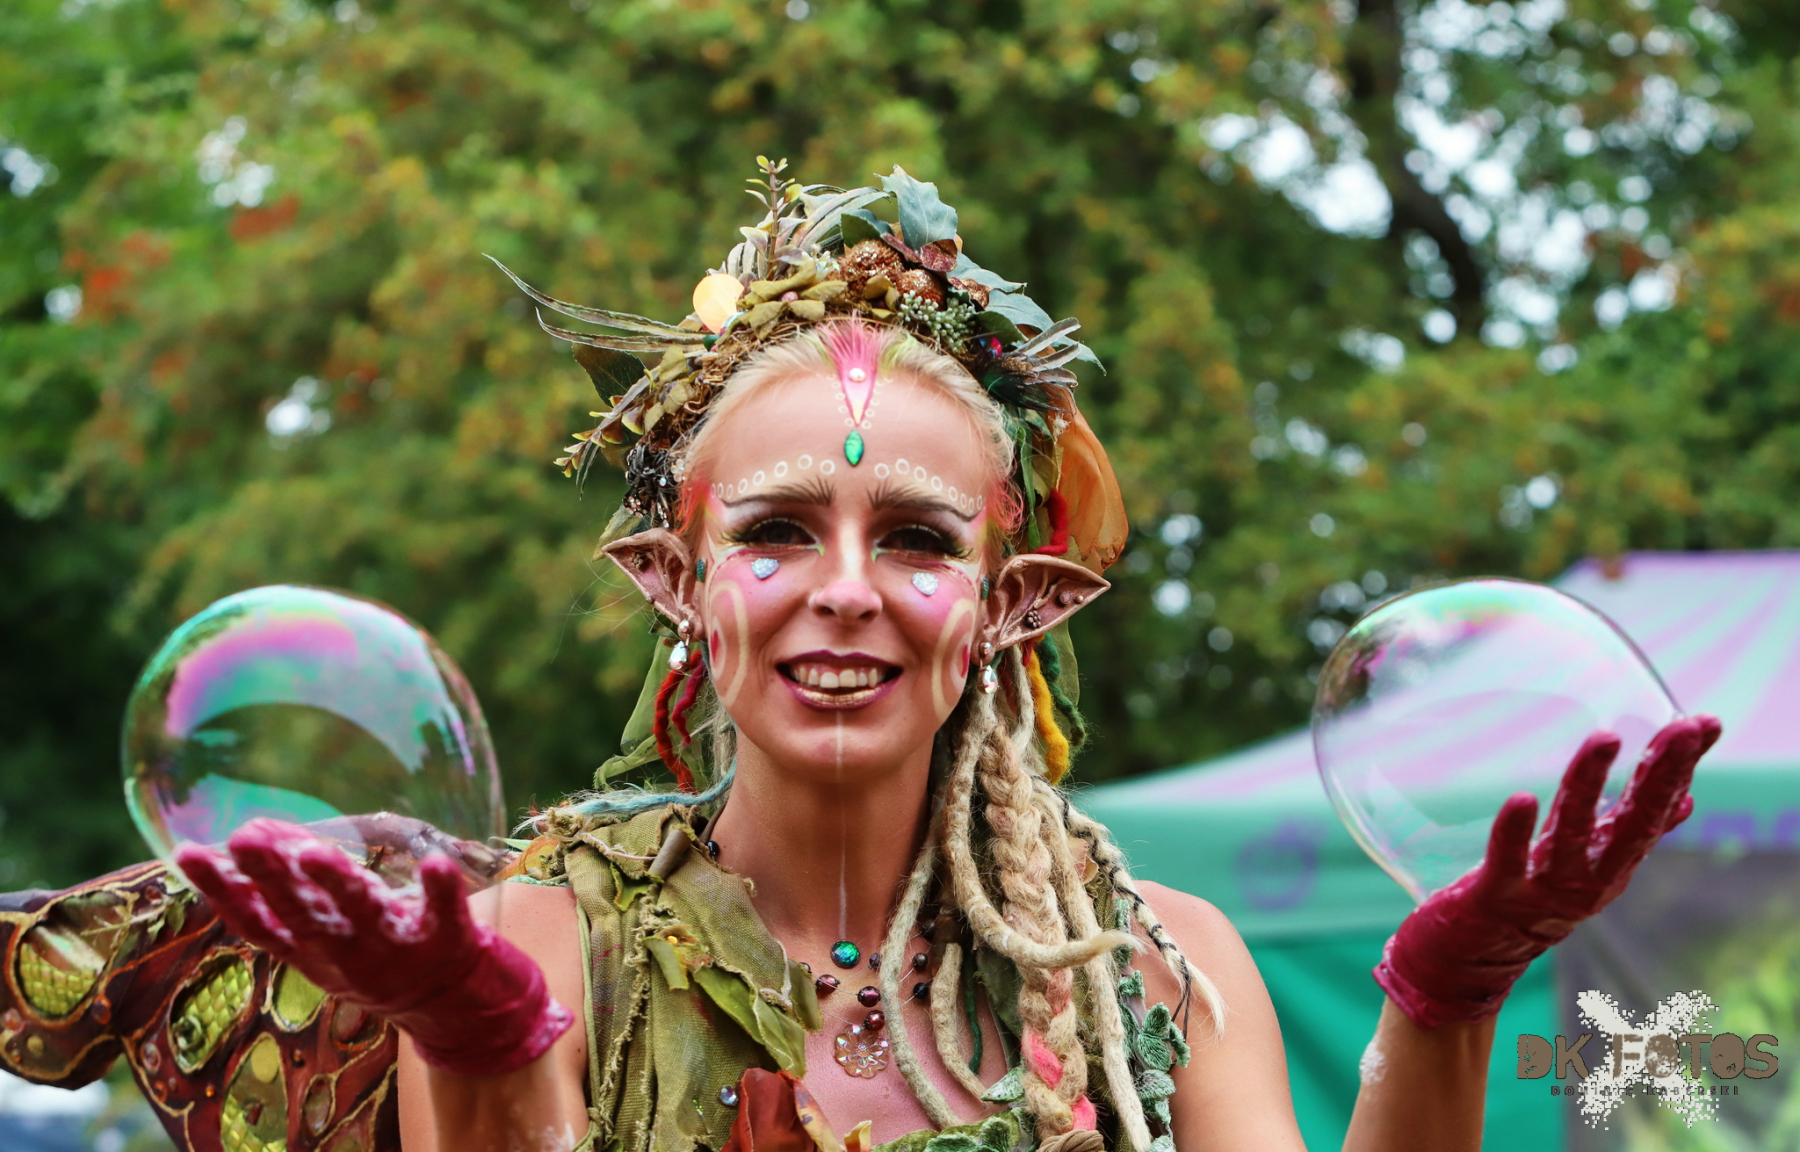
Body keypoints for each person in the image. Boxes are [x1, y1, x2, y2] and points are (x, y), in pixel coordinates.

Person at [171, 161, 1721, 1152]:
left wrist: (1450, 1005)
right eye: (778, 532)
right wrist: (481, 1043)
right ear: (675, 582)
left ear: (1012, 602)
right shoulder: (546, 936)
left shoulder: (1156, 970)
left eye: (917, 540)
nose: (846, 592)